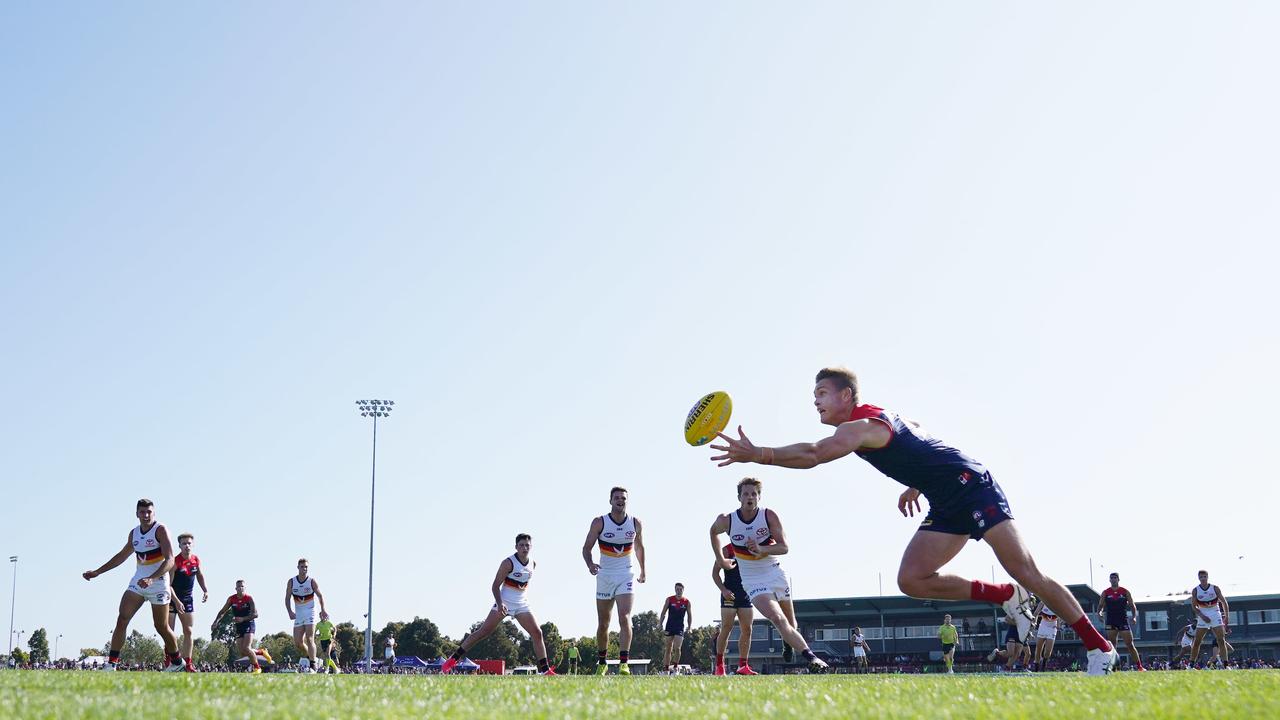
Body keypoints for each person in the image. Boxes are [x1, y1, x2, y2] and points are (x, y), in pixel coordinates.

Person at [708, 367, 1117, 674]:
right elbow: (918, 433)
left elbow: (816, 453)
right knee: (912, 579)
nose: (815, 401)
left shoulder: (861, 426)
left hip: (971, 485)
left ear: (846, 395)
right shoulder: (877, 419)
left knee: (1027, 570)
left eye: (822, 393)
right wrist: (918, 483)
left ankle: (1100, 648)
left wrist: (758, 453)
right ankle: (1003, 596)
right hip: (945, 497)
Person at [709, 478, 829, 673]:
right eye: (746, 494)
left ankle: (788, 643)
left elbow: (784, 547)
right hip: (752, 580)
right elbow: (713, 532)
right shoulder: (728, 520)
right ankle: (813, 658)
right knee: (777, 618)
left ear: (759, 497)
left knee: (791, 624)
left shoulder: (769, 516)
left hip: (774, 573)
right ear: (739, 497)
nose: (750, 497)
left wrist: (762, 549)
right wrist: (720, 560)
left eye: (754, 494)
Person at [82, 498, 185, 672]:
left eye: (149, 512)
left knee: (161, 627)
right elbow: (121, 556)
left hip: (158, 583)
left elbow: (170, 560)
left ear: (154, 513)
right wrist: (98, 572)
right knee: (122, 618)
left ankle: (177, 662)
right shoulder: (134, 534)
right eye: (142, 512)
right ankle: (111, 663)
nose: (146, 515)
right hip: (138, 583)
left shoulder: (160, 530)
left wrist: (152, 578)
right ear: (136, 514)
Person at [443, 533, 556, 675]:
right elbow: (495, 586)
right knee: (483, 632)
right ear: (516, 547)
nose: (524, 548)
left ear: (531, 547)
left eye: (527, 545)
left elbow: (523, 585)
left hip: (522, 605)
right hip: (504, 602)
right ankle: (452, 660)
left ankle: (545, 671)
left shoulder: (533, 563)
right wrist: (500, 603)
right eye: (521, 545)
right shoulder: (508, 563)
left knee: (537, 633)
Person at [581, 487, 646, 675]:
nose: (620, 500)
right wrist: (590, 564)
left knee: (625, 617)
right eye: (616, 498)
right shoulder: (599, 522)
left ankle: (623, 663)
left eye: (623, 498)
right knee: (603, 623)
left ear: (627, 501)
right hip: (605, 576)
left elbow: (640, 547)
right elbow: (586, 548)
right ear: (610, 501)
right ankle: (602, 662)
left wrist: (643, 570)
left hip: (626, 574)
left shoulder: (635, 523)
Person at [712, 544, 756, 676]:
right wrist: (723, 590)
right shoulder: (726, 550)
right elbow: (715, 573)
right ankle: (719, 666)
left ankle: (743, 665)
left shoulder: (751, 546)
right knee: (726, 627)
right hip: (729, 594)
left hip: (745, 594)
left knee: (748, 629)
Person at [167, 532, 208, 672]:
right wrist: (176, 601)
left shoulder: (196, 560)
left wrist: (205, 590)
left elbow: (200, 575)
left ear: (193, 544)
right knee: (169, 632)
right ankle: (169, 662)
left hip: (187, 599)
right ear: (179, 545)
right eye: (184, 543)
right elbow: (168, 585)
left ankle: (188, 663)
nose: (187, 546)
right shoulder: (175, 561)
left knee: (189, 632)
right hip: (172, 600)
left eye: (189, 543)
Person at [285, 558, 329, 673]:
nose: (304, 569)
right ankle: (312, 657)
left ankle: (313, 666)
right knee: (298, 642)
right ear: (298, 567)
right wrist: (290, 611)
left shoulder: (311, 581)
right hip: (299, 614)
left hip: (310, 612)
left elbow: (320, 596)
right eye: (302, 567)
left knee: (310, 638)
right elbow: (287, 598)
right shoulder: (291, 581)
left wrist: (323, 609)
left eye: (306, 567)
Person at [211, 580, 262, 673]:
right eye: (239, 587)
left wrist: (243, 619)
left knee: (246, 647)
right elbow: (222, 611)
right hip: (239, 626)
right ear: (236, 588)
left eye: (242, 586)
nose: (241, 588)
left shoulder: (249, 598)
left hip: (249, 623)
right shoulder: (231, 599)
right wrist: (216, 622)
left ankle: (257, 667)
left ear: (245, 588)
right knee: (243, 652)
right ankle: (260, 652)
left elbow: (256, 614)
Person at [1099, 572, 1145, 670]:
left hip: (1123, 621)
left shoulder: (1125, 591)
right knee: (1112, 646)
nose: (1113, 579)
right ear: (1109, 580)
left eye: (1115, 578)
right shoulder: (1106, 592)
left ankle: (1140, 667)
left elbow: (1132, 605)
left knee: (1130, 645)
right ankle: (1113, 667)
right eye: (1111, 578)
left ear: (1118, 579)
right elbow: (1100, 606)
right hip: (1111, 621)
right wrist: (1099, 613)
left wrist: (1134, 617)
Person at [1189, 570, 1230, 667]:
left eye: (1204, 576)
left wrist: (1227, 617)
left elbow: (1224, 602)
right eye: (1201, 577)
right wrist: (1202, 616)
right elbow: (1194, 607)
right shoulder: (1195, 590)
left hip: (1215, 614)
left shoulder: (1215, 588)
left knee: (1221, 639)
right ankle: (1190, 665)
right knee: (1197, 641)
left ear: (1207, 577)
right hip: (1203, 615)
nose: (1203, 579)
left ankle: (1226, 665)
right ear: (1198, 578)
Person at [658, 583, 693, 673]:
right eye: (677, 589)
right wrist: (660, 623)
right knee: (668, 648)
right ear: (675, 589)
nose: (679, 591)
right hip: (669, 626)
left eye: (680, 589)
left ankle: (675, 667)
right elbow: (663, 612)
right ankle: (666, 669)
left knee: (677, 648)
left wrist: (689, 627)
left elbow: (689, 616)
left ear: (683, 590)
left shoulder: (686, 602)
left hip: (679, 627)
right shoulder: (669, 599)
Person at [1033, 601, 1060, 672]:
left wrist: (1059, 624)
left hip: (1052, 628)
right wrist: (1034, 622)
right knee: (1038, 649)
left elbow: (1062, 616)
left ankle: (1044, 663)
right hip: (1042, 627)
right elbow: (1036, 613)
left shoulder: (1059, 603)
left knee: (1048, 651)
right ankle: (1036, 668)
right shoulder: (1042, 603)